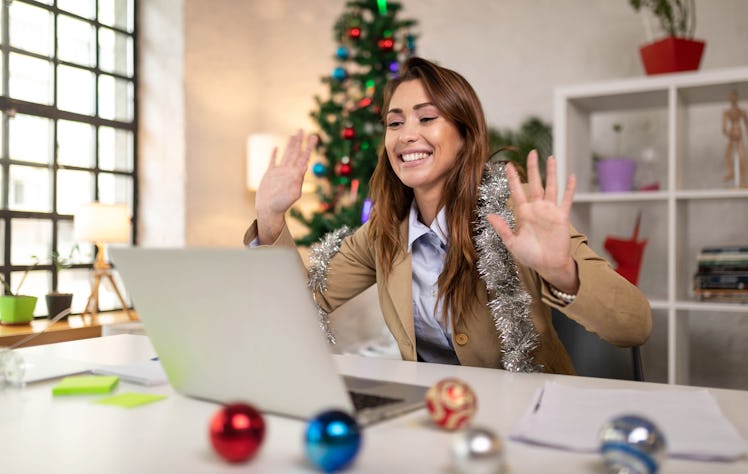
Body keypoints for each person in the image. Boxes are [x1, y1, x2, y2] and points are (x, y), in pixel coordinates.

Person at [244, 57, 651, 374]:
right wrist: (270, 219)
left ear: (464, 134)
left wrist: (563, 271)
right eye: (395, 122)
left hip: (530, 419)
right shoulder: (382, 234)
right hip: (431, 423)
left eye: (426, 118)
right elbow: (297, 304)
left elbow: (635, 326)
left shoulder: (516, 211)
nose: (406, 135)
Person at [722, 89, 748, 187]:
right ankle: (731, 172)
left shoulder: (742, 111)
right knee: (727, 155)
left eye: (734, 96)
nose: (733, 99)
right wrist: (730, 134)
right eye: (731, 97)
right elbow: (724, 128)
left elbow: (746, 124)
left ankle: (744, 181)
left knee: (742, 157)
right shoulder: (727, 112)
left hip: (739, 135)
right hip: (732, 135)